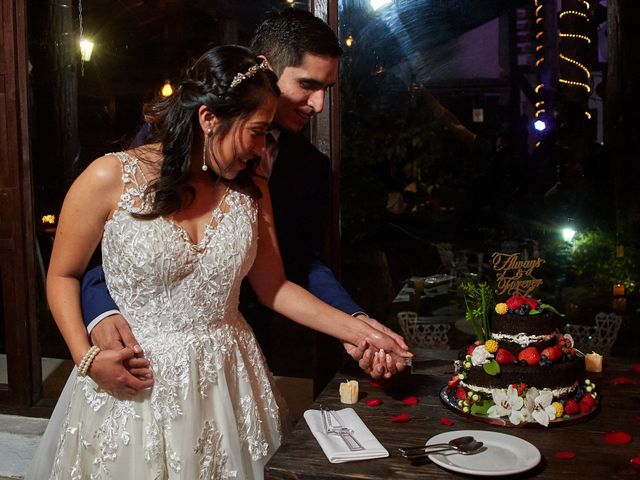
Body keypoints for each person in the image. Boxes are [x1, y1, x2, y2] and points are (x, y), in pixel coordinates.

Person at [36, 45, 410, 479]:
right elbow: (63, 274)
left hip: (229, 384)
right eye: (256, 131)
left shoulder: (251, 188)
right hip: (135, 388)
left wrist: (365, 331)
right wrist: (85, 358)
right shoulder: (109, 176)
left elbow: (275, 288)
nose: (260, 148)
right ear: (209, 118)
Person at [82, 8, 404, 387]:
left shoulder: (311, 167)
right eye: (307, 85)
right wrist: (99, 315)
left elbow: (299, 265)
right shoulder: (161, 147)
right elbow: (104, 247)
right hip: (141, 358)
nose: (318, 104)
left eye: (326, 90)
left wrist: (355, 323)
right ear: (265, 70)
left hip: (241, 356)